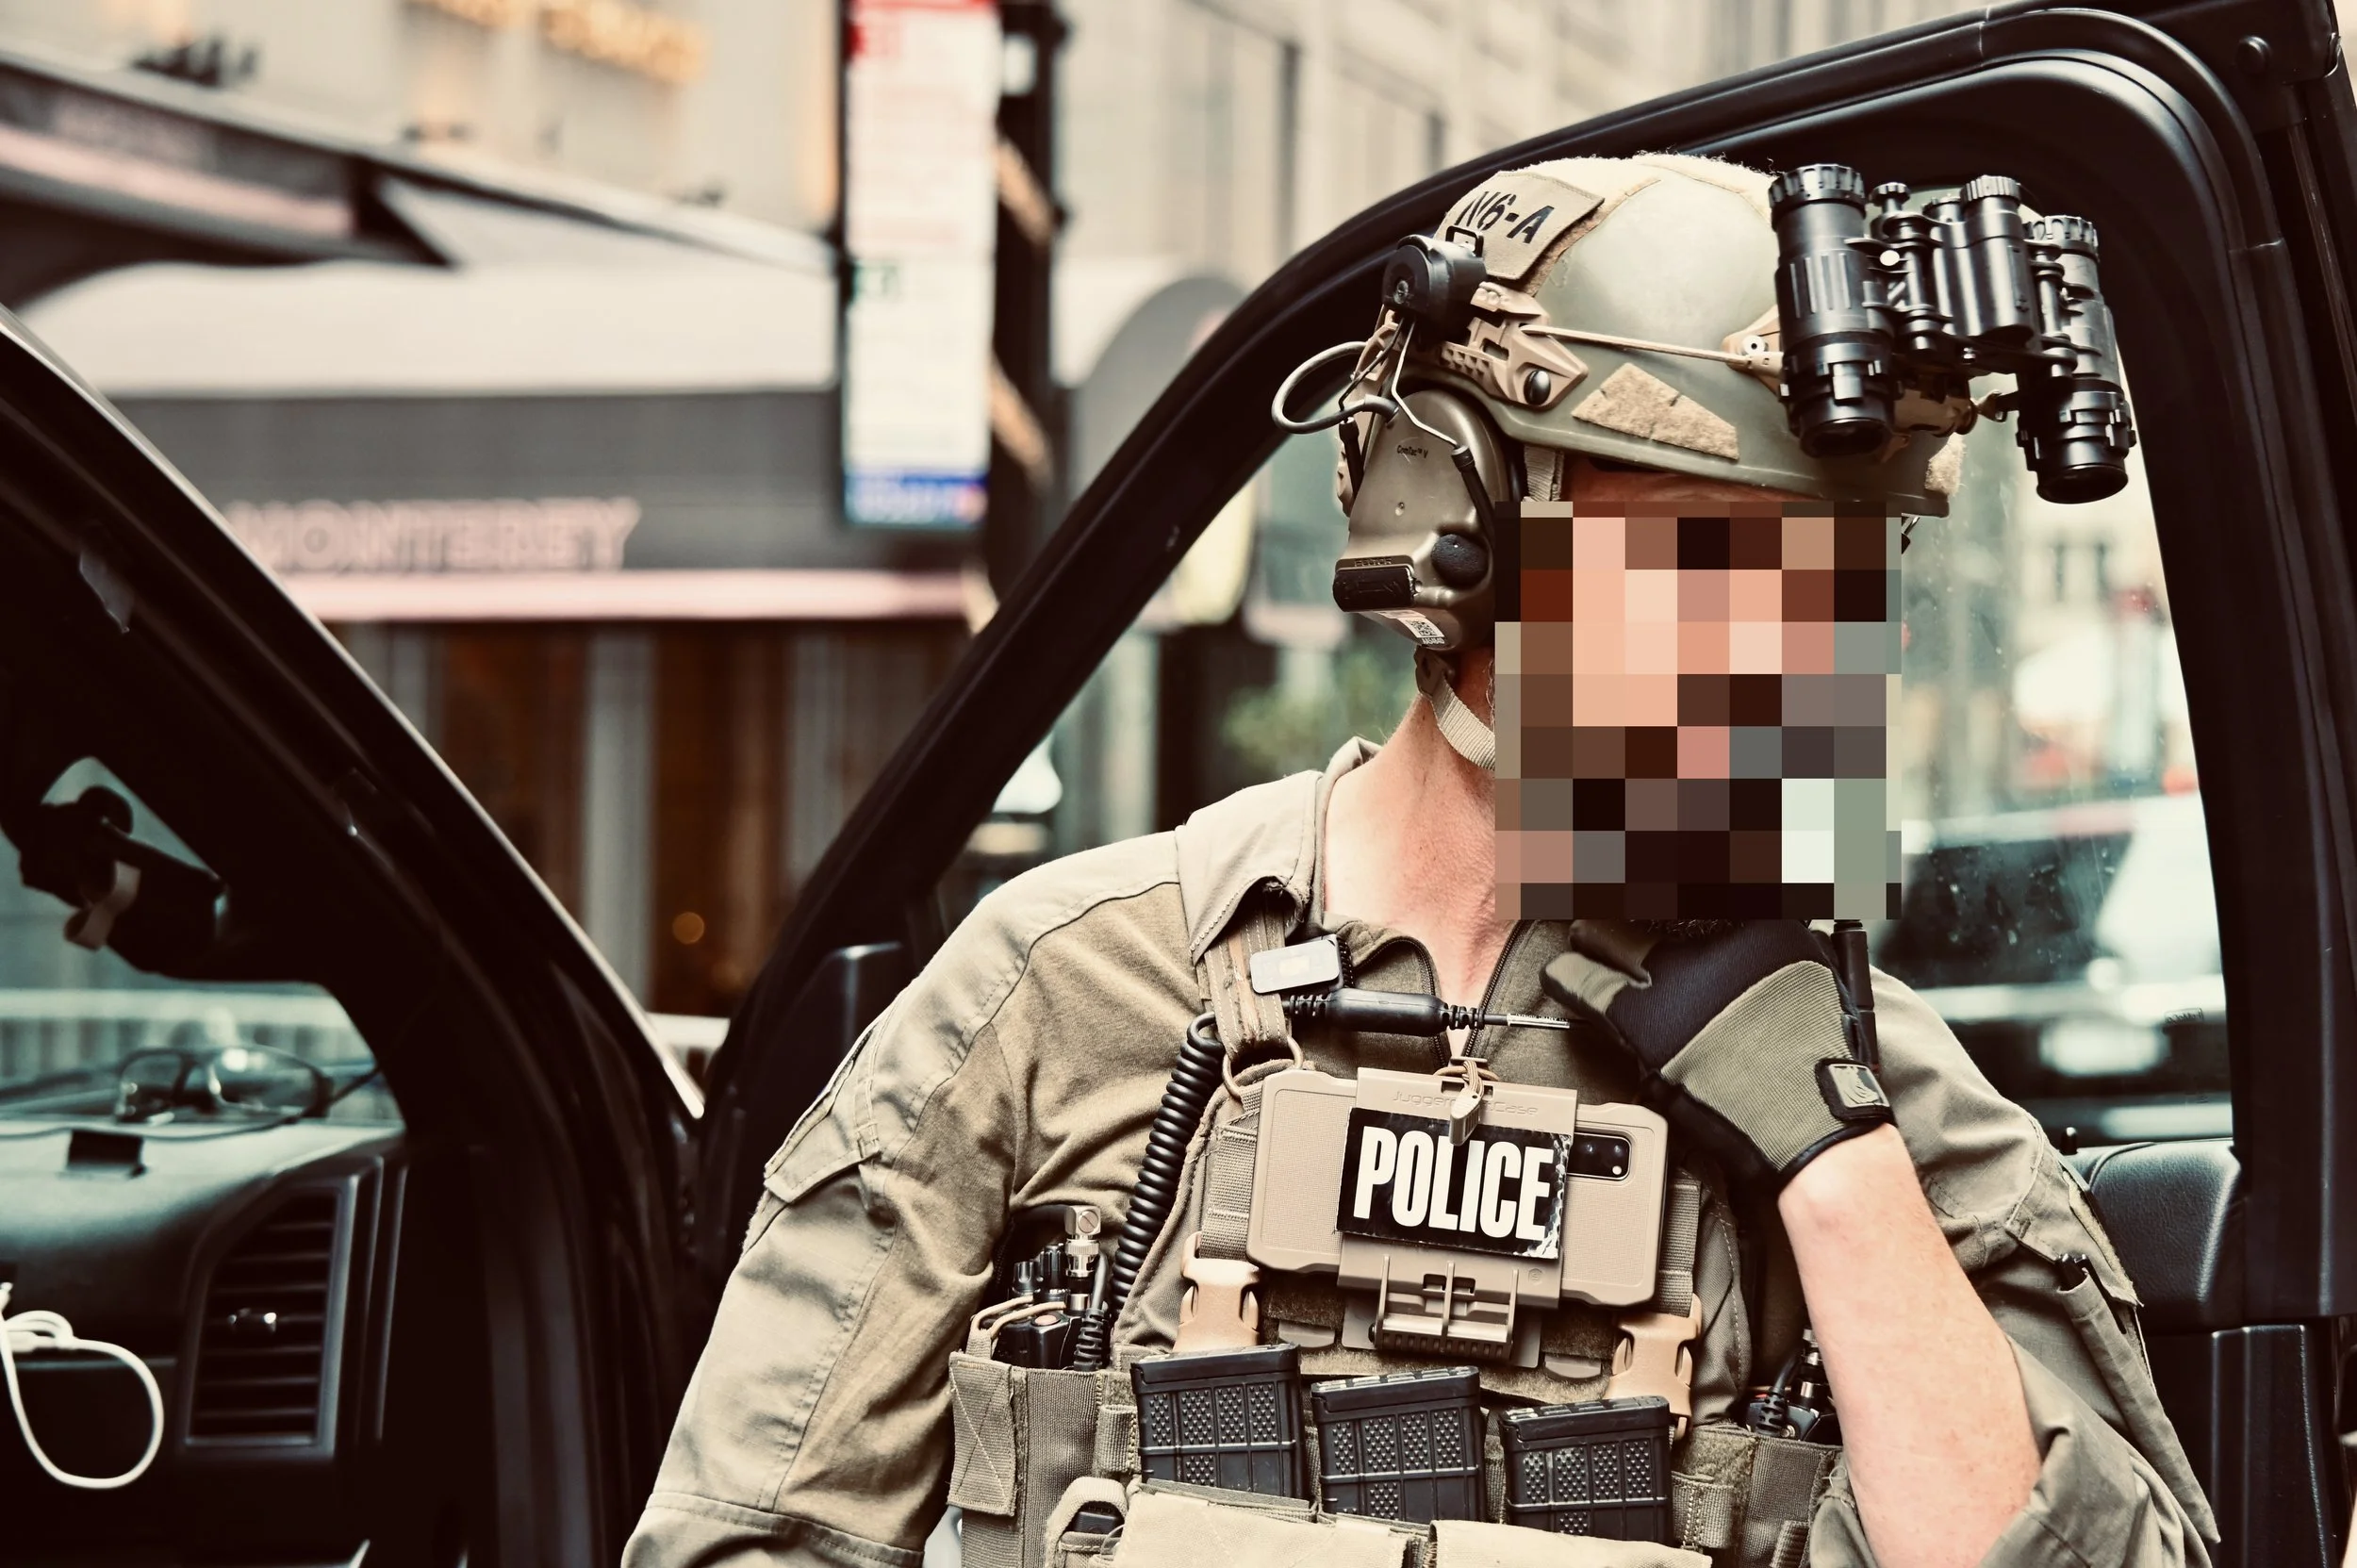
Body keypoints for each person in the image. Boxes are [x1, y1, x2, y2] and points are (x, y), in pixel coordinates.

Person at [623, 156, 2216, 1568]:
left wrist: (1837, 1164)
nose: (1794, 675)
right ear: (1449, 521)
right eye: (1709, 568)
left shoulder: (1860, 1076)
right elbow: (742, 1534)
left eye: (1839, 591)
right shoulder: (1060, 992)